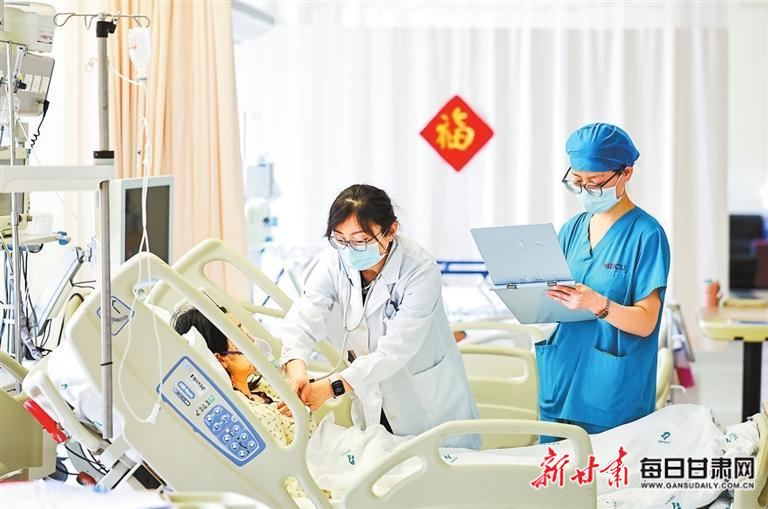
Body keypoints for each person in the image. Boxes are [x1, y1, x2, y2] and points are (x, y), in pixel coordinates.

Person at [277, 184, 479, 448]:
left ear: (391, 230)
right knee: (379, 460)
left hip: (423, 399)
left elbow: (396, 350)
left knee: (438, 466)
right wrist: (296, 369)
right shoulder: (334, 261)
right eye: (340, 239)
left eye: (361, 240)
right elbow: (305, 314)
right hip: (369, 393)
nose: (350, 249)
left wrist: (331, 387)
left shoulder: (419, 270)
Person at [538, 123, 670, 441]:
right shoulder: (572, 229)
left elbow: (646, 323)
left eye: (595, 184)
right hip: (562, 376)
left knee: (606, 471)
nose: (586, 191)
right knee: (552, 469)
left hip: (611, 389)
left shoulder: (646, 234)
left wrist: (598, 303)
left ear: (626, 173)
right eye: (577, 182)